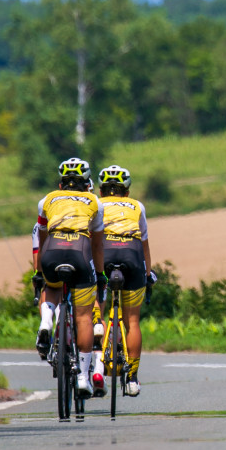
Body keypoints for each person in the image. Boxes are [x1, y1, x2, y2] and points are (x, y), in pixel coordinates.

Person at [35, 157, 106, 398]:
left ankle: (46, 321)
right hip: (80, 250)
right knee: (84, 316)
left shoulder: (47, 200)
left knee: (51, 287)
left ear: (61, 183)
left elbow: (40, 238)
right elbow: (97, 246)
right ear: (87, 182)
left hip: (52, 251)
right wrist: (101, 274)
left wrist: (39, 271)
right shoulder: (94, 201)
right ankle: (84, 378)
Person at [97, 164, 152, 397]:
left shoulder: (96, 204)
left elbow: (92, 241)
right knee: (132, 321)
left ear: (101, 191)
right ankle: (132, 379)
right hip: (132, 254)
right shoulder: (137, 206)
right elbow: (145, 244)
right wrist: (148, 275)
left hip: (105, 252)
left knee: (91, 311)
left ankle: (95, 365)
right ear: (126, 192)